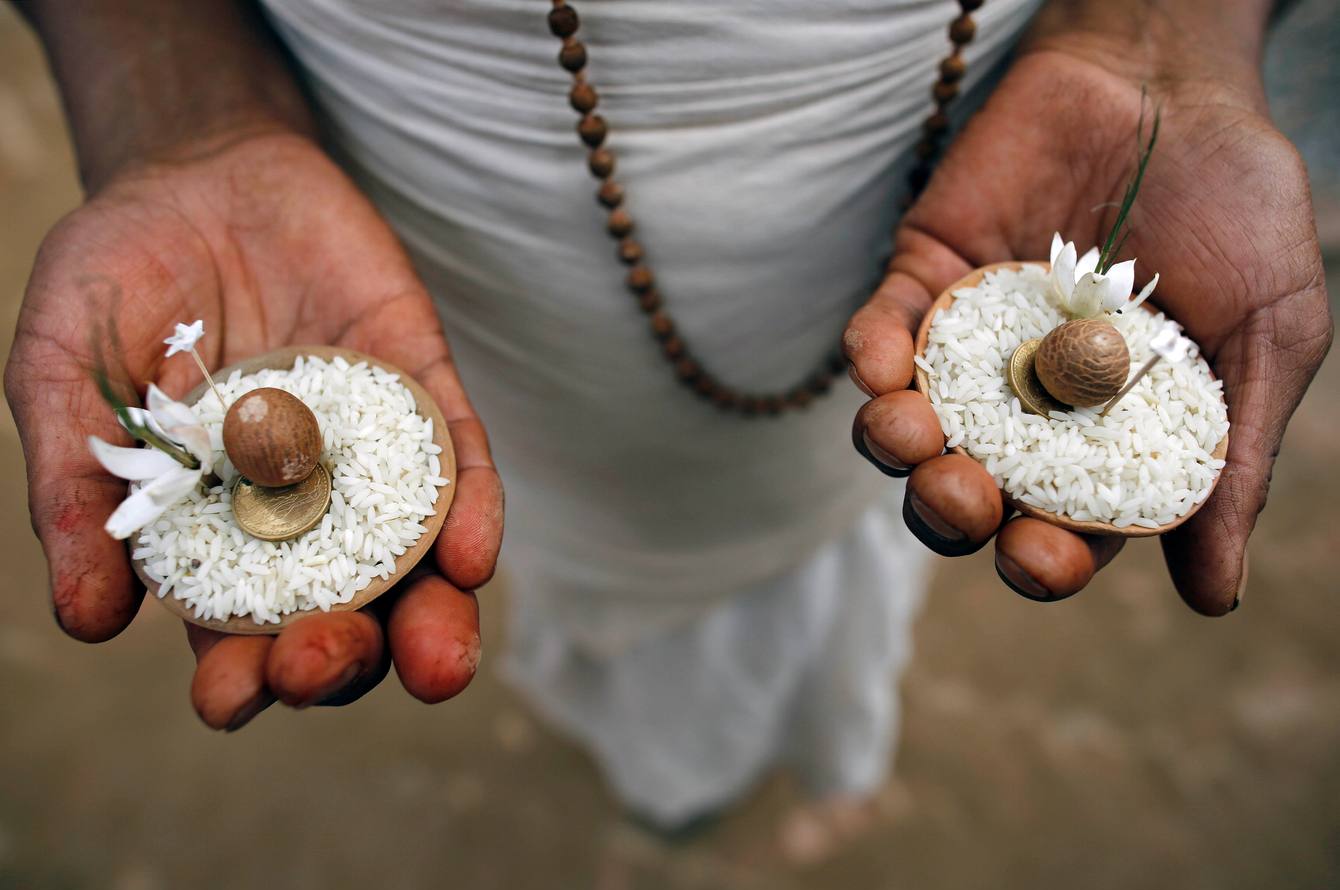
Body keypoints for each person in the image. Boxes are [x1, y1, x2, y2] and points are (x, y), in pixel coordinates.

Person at [5, 0, 1330, 834]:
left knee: (833, 505)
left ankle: (732, 756)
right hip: (442, 229)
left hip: (972, 164)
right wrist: (183, 110)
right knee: (588, 519)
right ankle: (678, 775)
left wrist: (1164, 34)